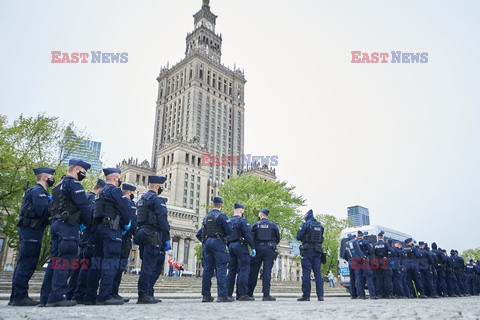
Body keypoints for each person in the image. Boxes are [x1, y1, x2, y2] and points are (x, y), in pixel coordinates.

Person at [40, 159, 92, 307]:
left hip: (56, 224)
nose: (85, 174)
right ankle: (57, 296)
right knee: (65, 261)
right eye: (84, 171)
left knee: (54, 261)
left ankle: (46, 297)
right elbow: (84, 207)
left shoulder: (58, 184)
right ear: (76, 170)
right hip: (68, 226)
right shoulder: (74, 184)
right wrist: (89, 225)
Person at [10, 167, 55, 306]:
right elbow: (43, 211)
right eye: (51, 176)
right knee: (27, 262)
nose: (52, 179)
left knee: (24, 262)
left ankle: (16, 296)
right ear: (44, 177)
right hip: (31, 229)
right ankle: (20, 297)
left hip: (30, 229)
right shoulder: (37, 191)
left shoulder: (36, 191)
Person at [90, 168, 132, 305]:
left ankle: (90, 296)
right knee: (111, 263)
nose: (120, 180)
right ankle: (105, 296)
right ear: (115, 178)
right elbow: (125, 210)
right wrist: (126, 224)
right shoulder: (114, 191)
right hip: (112, 230)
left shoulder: (100, 192)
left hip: (99, 231)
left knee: (97, 264)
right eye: (119, 178)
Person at [136, 175, 170, 304]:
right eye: (162, 186)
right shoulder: (156, 200)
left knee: (147, 264)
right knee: (150, 266)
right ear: (157, 186)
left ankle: (148, 292)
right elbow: (162, 220)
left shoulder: (142, 199)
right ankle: (144, 294)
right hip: (152, 234)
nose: (162, 188)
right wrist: (167, 238)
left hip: (142, 232)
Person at [71, 179, 105, 304]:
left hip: (86, 236)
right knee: (85, 267)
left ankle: (75, 293)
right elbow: (90, 218)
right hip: (89, 236)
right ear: (100, 189)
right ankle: (79, 294)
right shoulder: (92, 199)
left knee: (82, 266)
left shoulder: (87, 197)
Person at [197, 197, 232, 302]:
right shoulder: (222, 217)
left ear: (213, 204)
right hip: (218, 242)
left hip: (207, 243)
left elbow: (200, 233)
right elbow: (229, 231)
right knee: (221, 268)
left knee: (207, 270)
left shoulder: (206, 217)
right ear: (221, 205)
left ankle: (206, 295)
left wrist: (204, 242)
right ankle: (222, 295)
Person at [111, 183, 138, 303]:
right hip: (124, 237)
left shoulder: (116, 201)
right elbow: (131, 220)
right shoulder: (129, 203)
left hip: (113, 235)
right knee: (119, 266)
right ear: (129, 192)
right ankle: (113, 293)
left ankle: (109, 292)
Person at [247, 209, 280, 301]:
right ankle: (266, 295)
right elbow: (277, 238)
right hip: (269, 249)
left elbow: (251, 236)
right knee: (267, 272)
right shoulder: (273, 225)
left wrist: (253, 247)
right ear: (267, 215)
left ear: (260, 215)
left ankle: (249, 293)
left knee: (253, 272)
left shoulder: (255, 225)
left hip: (258, 249)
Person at [226, 203, 255, 301]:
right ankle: (241, 294)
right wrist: (253, 247)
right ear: (241, 210)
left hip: (230, 246)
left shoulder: (228, 221)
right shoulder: (242, 221)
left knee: (231, 270)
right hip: (241, 246)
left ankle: (228, 293)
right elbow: (248, 235)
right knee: (244, 269)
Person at [296, 209, 325, 301]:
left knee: (306, 273)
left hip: (307, 250)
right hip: (317, 251)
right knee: (317, 273)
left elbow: (298, 236)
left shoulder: (305, 225)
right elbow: (321, 238)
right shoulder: (320, 226)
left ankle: (306, 295)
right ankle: (320, 295)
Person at [355, 230, 378, 300]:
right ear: (363, 236)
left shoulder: (354, 243)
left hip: (356, 261)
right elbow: (371, 252)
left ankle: (361, 295)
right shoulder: (365, 242)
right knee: (369, 277)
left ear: (357, 236)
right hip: (364, 261)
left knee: (359, 278)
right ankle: (372, 295)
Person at [373, 231, 394, 298]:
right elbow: (392, 251)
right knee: (387, 278)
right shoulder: (385, 244)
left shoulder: (375, 245)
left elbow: (372, 253)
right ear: (382, 237)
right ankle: (389, 294)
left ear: (378, 237)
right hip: (384, 261)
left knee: (379, 279)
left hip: (377, 262)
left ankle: (379, 294)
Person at [342, 234, 358, 299]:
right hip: (355, 262)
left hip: (350, 262)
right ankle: (358, 293)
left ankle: (352, 294)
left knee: (352, 279)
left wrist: (348, 260)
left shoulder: (347, 246)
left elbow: (344, 256)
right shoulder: (354, 244)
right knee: (357, 278)